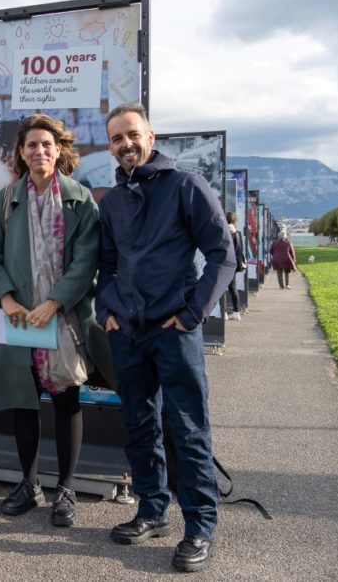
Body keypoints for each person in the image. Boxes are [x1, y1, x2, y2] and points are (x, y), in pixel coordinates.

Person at [96, 102, 235, 573]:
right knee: (139, 424)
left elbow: (222, 254)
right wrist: (106, 311)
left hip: (174, 330)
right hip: (127, 332)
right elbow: (107, 265)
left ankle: (199, 526)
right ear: (110, 146)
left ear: (151, 137)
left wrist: (194, 312)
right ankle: (152, 510)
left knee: (188, 428)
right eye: (116, 138)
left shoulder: (185, 186)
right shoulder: (112, 201)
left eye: (132, 135)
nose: (126, 144)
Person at [0, 113, 104, 528]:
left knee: (67, 399)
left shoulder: (79, 199)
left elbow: (87, 261)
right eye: (31, 145)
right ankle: (29, 484)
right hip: (17, 317)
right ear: (21, 152)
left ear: (59, 150)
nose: (39, 151)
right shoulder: (4, 200)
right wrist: (7, 298)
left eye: (47, 145)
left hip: (63, 317)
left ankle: (65, 488)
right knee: (21, 399)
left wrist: (55, 301)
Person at [225, 212, 245, 320]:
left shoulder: (223, 232)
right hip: (234, 263)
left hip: (224, 263)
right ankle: (236, 312)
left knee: (221, 288)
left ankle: (223, 313)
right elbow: (240, 250)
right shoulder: (237, 233)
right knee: (232, 287)